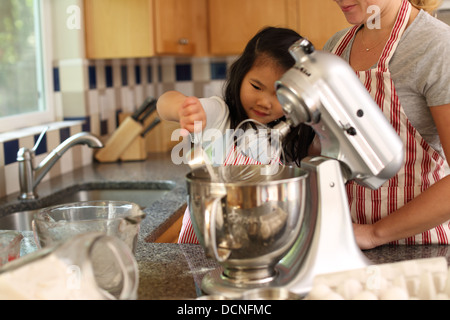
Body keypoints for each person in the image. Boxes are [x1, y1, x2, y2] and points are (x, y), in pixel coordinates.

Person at [157, 27, 316, 244]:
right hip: (199, 249)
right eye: (256, 86)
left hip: (254, 247)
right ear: (241, 75)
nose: (264, 102)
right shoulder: (220, 115)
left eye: (279, 94)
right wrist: (182, 108)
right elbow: (164, 101)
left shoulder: (289, 138)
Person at [324, 0, 450, 248]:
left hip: (421, 251)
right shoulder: (335, 48)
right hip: (348, 244)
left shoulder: (437, 46)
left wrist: (373, 234)